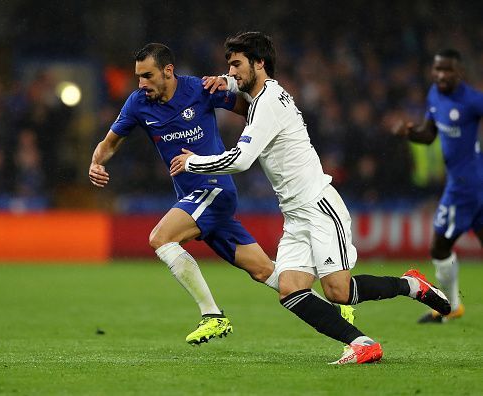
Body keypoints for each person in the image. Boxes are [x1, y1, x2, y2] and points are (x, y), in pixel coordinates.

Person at [170, 32, 451, 364]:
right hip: (296, 215)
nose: (230, 71)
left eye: (236, 65)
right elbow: (241, 86)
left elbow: (242, 160)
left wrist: (193, 163)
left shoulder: (268, 104)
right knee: (290, 289)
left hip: (318, 205)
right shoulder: (264, 96)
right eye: (228, 65)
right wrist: (226, 82)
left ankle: (410, 285)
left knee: (339, 292)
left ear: (259, 63)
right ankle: (362, 343)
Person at [90, 43, 313, 346]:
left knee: (160, 238)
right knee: (265, 272)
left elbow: (251, 109)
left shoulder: (200, 89)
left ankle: (212, 316)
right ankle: (335, 308)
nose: (141, 84)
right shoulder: (137, 103)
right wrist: (96, 162)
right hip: (194, 199)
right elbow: (110, 141)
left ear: (168, 71)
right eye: (138, 77)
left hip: (214, 189)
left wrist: (270, 134)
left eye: (147, 75)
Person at [392, 49, 483, 323]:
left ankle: (451, 306)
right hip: (469, 183)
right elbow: (429, 135)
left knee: (440, 247)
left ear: (460, 72)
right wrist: (410, 132)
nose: (441, 75)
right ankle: (452, 306)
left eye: (447, 70)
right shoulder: (434, 94)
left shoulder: (472, 101)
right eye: (438, 69)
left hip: (464, 186)